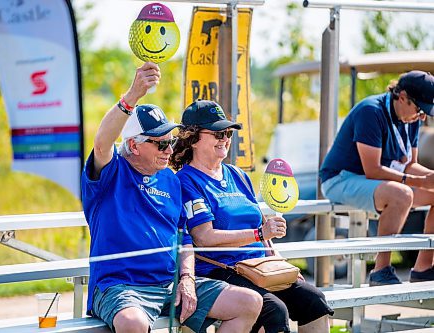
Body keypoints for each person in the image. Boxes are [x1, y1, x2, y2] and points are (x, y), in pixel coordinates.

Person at [81, 62, 262, 333]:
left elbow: (184, 238)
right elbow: (101, 143)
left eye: (171, 141)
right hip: (121, 287)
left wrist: (187, 277)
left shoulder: (170, 179)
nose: (169, 150)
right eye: (161, 143)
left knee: (248, 302)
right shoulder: (112, 171)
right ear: (133, 145)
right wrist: (132, 95)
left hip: (169, 283)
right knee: (133, 323)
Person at [170, 100, 333, 333]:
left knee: (314, 300)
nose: (225, 139)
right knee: (275, 310)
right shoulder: (186, 181)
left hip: (259, 268)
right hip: (223, 270)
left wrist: (280, 264)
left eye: (227, 132)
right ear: (193, 138)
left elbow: (260, 226)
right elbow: (204, 237)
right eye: (217, 133)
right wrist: (259, 233)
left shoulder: (237, 174)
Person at [320, 70, 434, 286]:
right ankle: (380, 271)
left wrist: (429, 176)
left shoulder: (413, 119)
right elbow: (372, 169)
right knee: (401, 195)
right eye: (420, 109)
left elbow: (410, 165)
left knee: (417, 192)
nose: (422, 117)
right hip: (340, 179)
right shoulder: (370, 111)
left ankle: (424, 268)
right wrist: (421, 181)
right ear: (402, 97)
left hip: (375, 181)